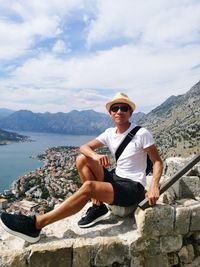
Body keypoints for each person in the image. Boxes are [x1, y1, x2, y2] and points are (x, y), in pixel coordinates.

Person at [0, 92, 163, 243]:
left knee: (89, 186)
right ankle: (98, 207)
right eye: (115, 108)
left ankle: (36, 225)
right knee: (81, 159)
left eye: (124, 108)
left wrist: (154, 185)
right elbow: (84, 147)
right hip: (116, 178)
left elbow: (157, 161)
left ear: (130, 112)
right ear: (110, 113)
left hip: (132, 187)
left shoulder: (142, 133)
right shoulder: (109, 133)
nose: (119, 111)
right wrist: (95, 155)